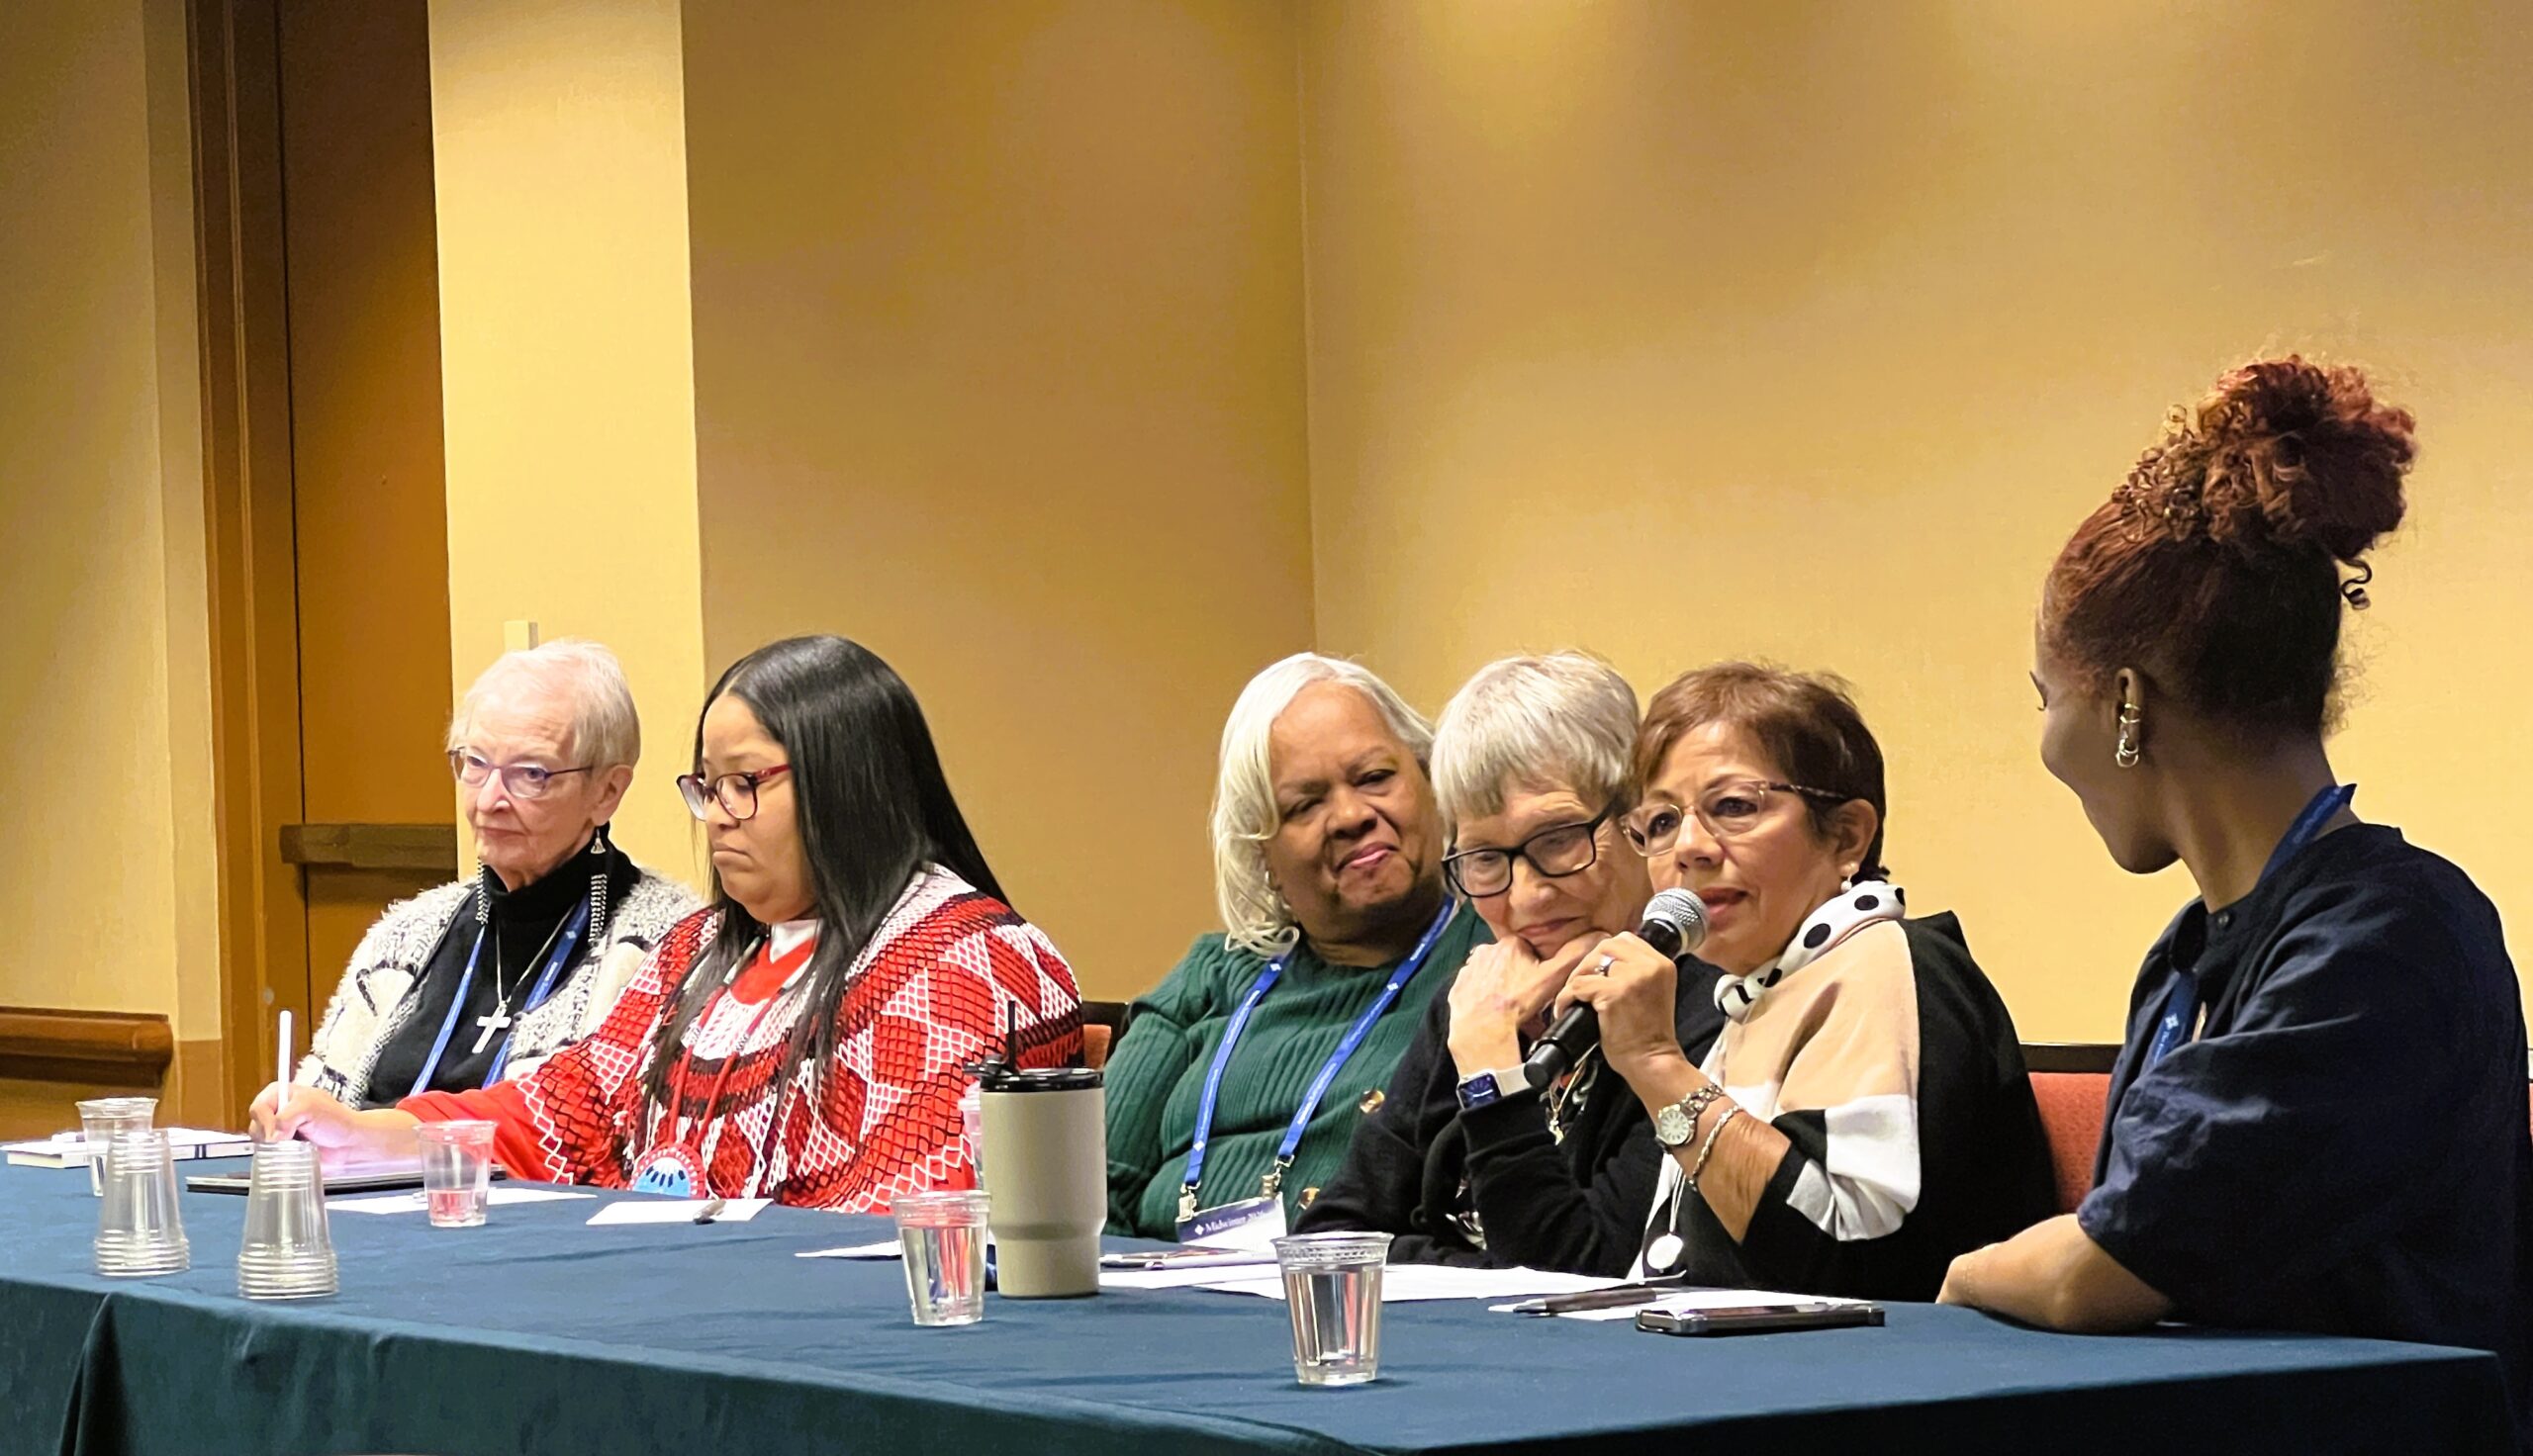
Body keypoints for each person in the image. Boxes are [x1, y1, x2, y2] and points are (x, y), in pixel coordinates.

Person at [1937, 360, 2531, 1431]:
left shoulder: (2388, 939)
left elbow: (2104, 1268)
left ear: (2125, 703)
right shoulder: (2191, 952)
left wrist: (1968, 1271)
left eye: (2044, 697)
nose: (2045, 742)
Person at [255, 635, 1083, 1211]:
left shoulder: (971, 963)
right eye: (706, 787)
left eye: (745, 784)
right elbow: (570, 1109)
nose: (717, 815)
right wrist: (366, 1136)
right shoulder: (700, 953)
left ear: (847, 786)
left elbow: (918, 1212)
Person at [1557, 663, 2052, 1299]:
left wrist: (1656, 1065)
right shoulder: (1756, 993)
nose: (1688, 847)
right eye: (1659, 823)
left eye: (1733, 807)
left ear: (1846, 836)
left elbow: (1839, 1269)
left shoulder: (1887, 963)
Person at [1299, 653, 1726, 1273]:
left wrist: (1492, 1076)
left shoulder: (1708, 1008)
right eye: (1484, 859)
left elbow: (1580, 1277)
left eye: (1559, 840)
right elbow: (1330, 1242)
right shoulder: (1481, 1001)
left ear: (1640, 825)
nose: (1525, 898)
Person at [1104, 654, 1488, 1243]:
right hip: (1159, 1289)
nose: (1351, 816)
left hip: (1360, 1291)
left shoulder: (1488, 957)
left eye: (1374, 777)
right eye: (1305, 805)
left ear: (1431, 780)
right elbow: (1081, 1196)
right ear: (1263, 857)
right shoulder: (1211, 977)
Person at [298, 641, 700, 1107]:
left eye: (531, 774)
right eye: (475, 763)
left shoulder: (667, 948)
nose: (489, 800)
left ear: (607, 792)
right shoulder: (404, 936)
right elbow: (324, 1100)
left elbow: (617, 1128)